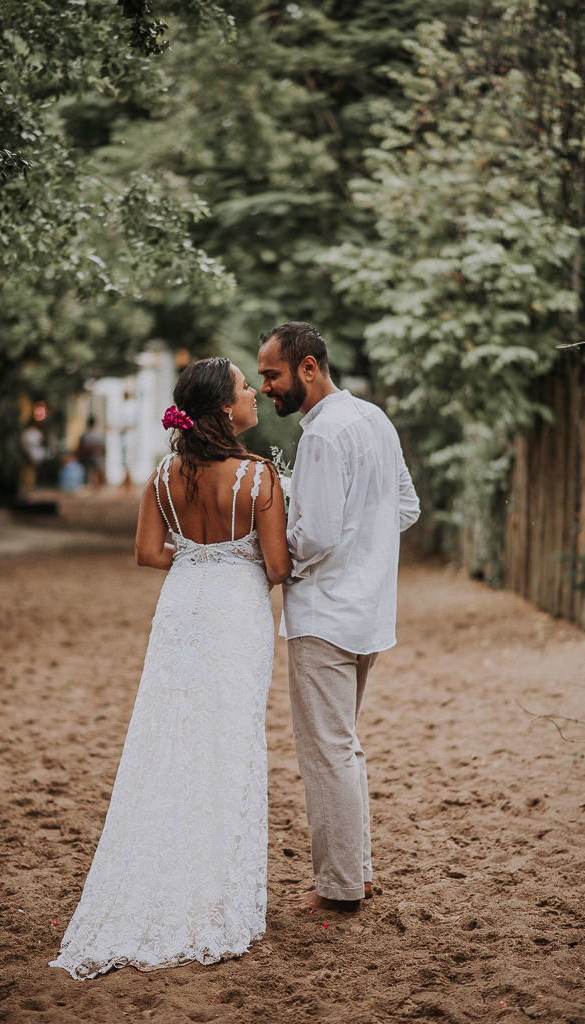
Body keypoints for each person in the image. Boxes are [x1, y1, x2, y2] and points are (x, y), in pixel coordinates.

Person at [50, 357, 291, 979]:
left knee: (168, 736)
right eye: (245, 388)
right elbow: (277, 567)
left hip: (182, 606)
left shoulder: (163, 475)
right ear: (222, 410)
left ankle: (160, 874)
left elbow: (147, 553)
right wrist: (233, 563)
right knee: (230, 741)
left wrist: (198, 561)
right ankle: (215, 893)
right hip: (238, 612)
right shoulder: (258, 476)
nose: (253, 396)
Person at [257, 321, 420, 913]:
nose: (266, 386)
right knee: (343, 747)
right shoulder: (374, 418)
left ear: (308, 367)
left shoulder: (324, 434)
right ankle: (359, 872)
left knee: (325, 751)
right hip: (369, 610)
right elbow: (406, 506)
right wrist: (364, 544)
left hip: (325, 614)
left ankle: (340, 887)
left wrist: (274, 556)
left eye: (272, 375)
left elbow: (317, 536)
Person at [77, 415, 106, 488]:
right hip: (96, 458)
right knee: (96, 467)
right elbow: (102, 447)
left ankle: (92, 483)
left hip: (88, 458)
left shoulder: (85, 435)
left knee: (91, 470)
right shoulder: (98, 434)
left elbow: (81, 448)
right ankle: (97, 484)